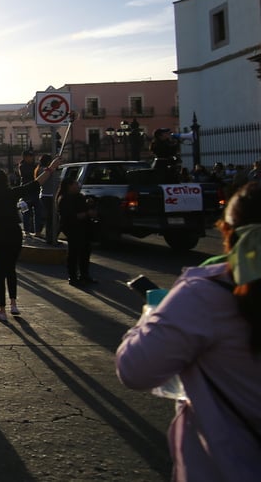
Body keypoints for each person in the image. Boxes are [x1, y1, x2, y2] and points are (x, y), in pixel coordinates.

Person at [115, 181, 261, 481]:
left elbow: (134, 368)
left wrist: (153, 313)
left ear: (227, 233)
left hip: (224, 466)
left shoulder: (206, 293)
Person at [0, 158, 61, 322]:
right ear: (4, 180)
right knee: (11, 269)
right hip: (13, 233)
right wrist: (51, 168)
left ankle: (2, 309)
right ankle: (14, 304)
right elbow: (35, 184)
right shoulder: (11, 193)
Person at [57, 176, 97, 286]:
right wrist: (86, 214)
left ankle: (85, 275)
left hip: (84, 228)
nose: (78, 186)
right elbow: (71, 216)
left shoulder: (80, 196)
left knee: (85, 251)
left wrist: (90, 206)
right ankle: (73, 277)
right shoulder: (64, 199)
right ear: (69, 186)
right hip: (72, 228)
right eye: (75, 184)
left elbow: (87, 210)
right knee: (74, 253)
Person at [36, 154, 61, 245]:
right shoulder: (43, 170)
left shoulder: (49, 169)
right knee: (52, 219)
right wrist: (53, 166)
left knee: (53, 219)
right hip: (47, 196)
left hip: (52, 196)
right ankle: (50, 238)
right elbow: (49, 172)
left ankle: (51, 238)